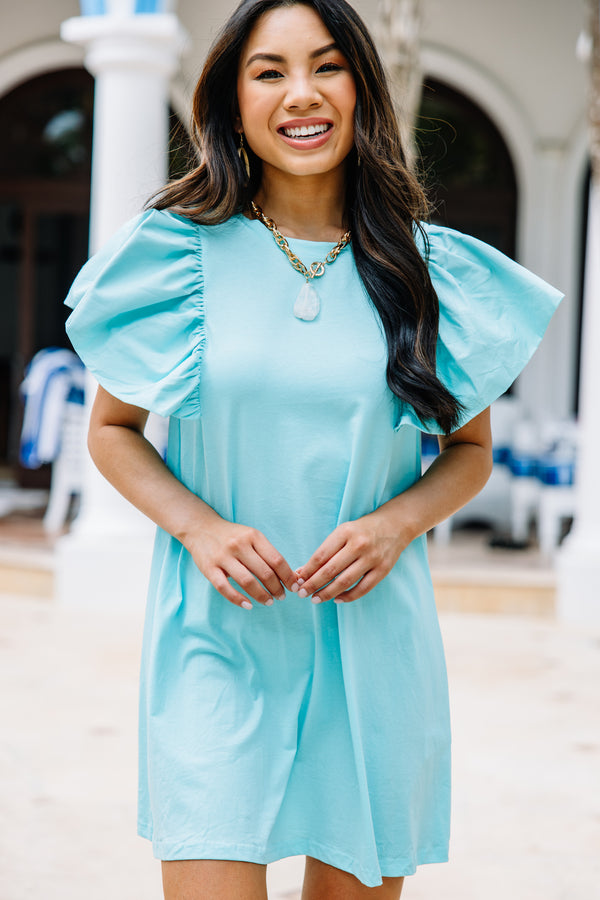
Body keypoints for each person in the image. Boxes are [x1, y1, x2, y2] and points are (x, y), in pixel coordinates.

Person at [64, 1, 563, 897]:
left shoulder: (427, 269)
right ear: (233, 100)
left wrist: (392, 526)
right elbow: (112, 430)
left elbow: (470, 450)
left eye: (327, 65)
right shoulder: (178, 258)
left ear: (362, 85)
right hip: (216, 637)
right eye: (269, 71)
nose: (302, 93)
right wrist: (201, 529)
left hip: (372, 643)